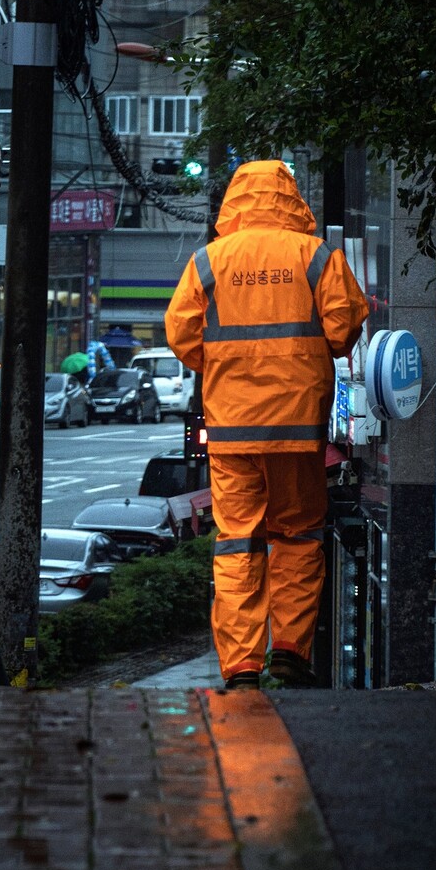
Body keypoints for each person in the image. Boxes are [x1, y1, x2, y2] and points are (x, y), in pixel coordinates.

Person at [165, 160, 369, 690]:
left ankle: (240, 665)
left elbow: (182, 337)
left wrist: (225, 368)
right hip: (298, 431)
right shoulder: (316, 255)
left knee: (237, 542)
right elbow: (345, 328)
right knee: (298, 535)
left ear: (235, 198)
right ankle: (289, 651)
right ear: (290, 196)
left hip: (231, 432)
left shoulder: (209, 260)